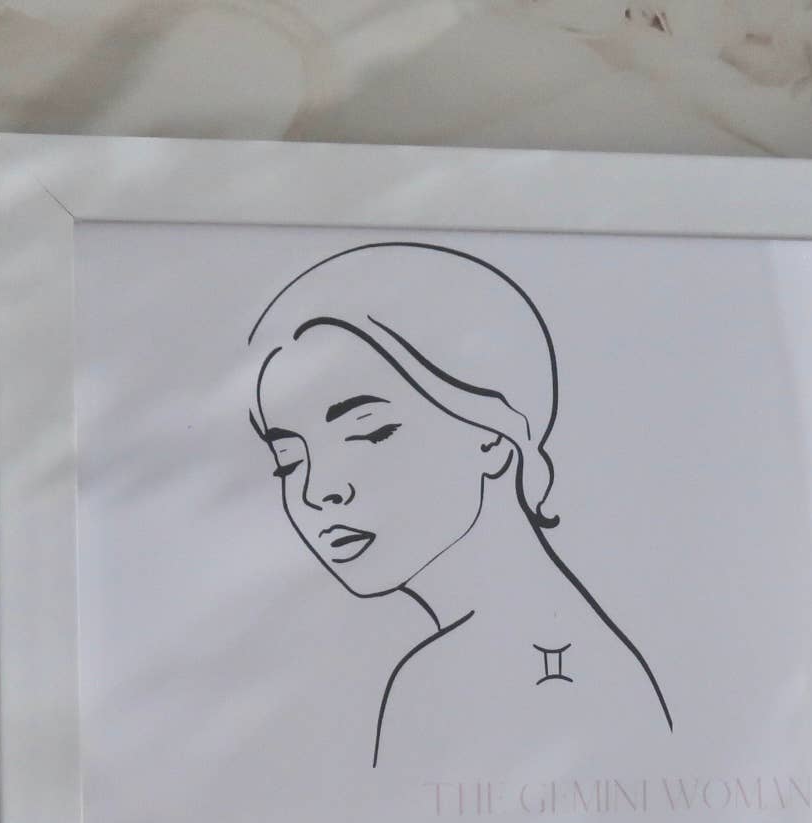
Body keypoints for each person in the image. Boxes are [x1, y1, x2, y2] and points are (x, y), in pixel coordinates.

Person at [248, 241, 672, 767]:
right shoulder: (558, 649)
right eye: (288, 461)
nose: (317, 491)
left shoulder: (492, 673)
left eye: (369, 433)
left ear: (492, 437)